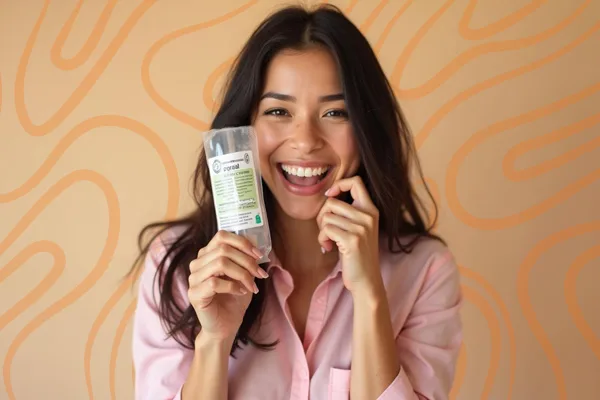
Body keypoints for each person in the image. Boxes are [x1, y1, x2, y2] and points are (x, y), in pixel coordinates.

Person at [130, 4, 462, 400]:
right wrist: (214, 342)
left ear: (365, 129)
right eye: (278, 111)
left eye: (335, 112)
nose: (305, 141)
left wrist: (370, 296)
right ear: (245, 128)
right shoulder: (178, 267)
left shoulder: (424, 271)